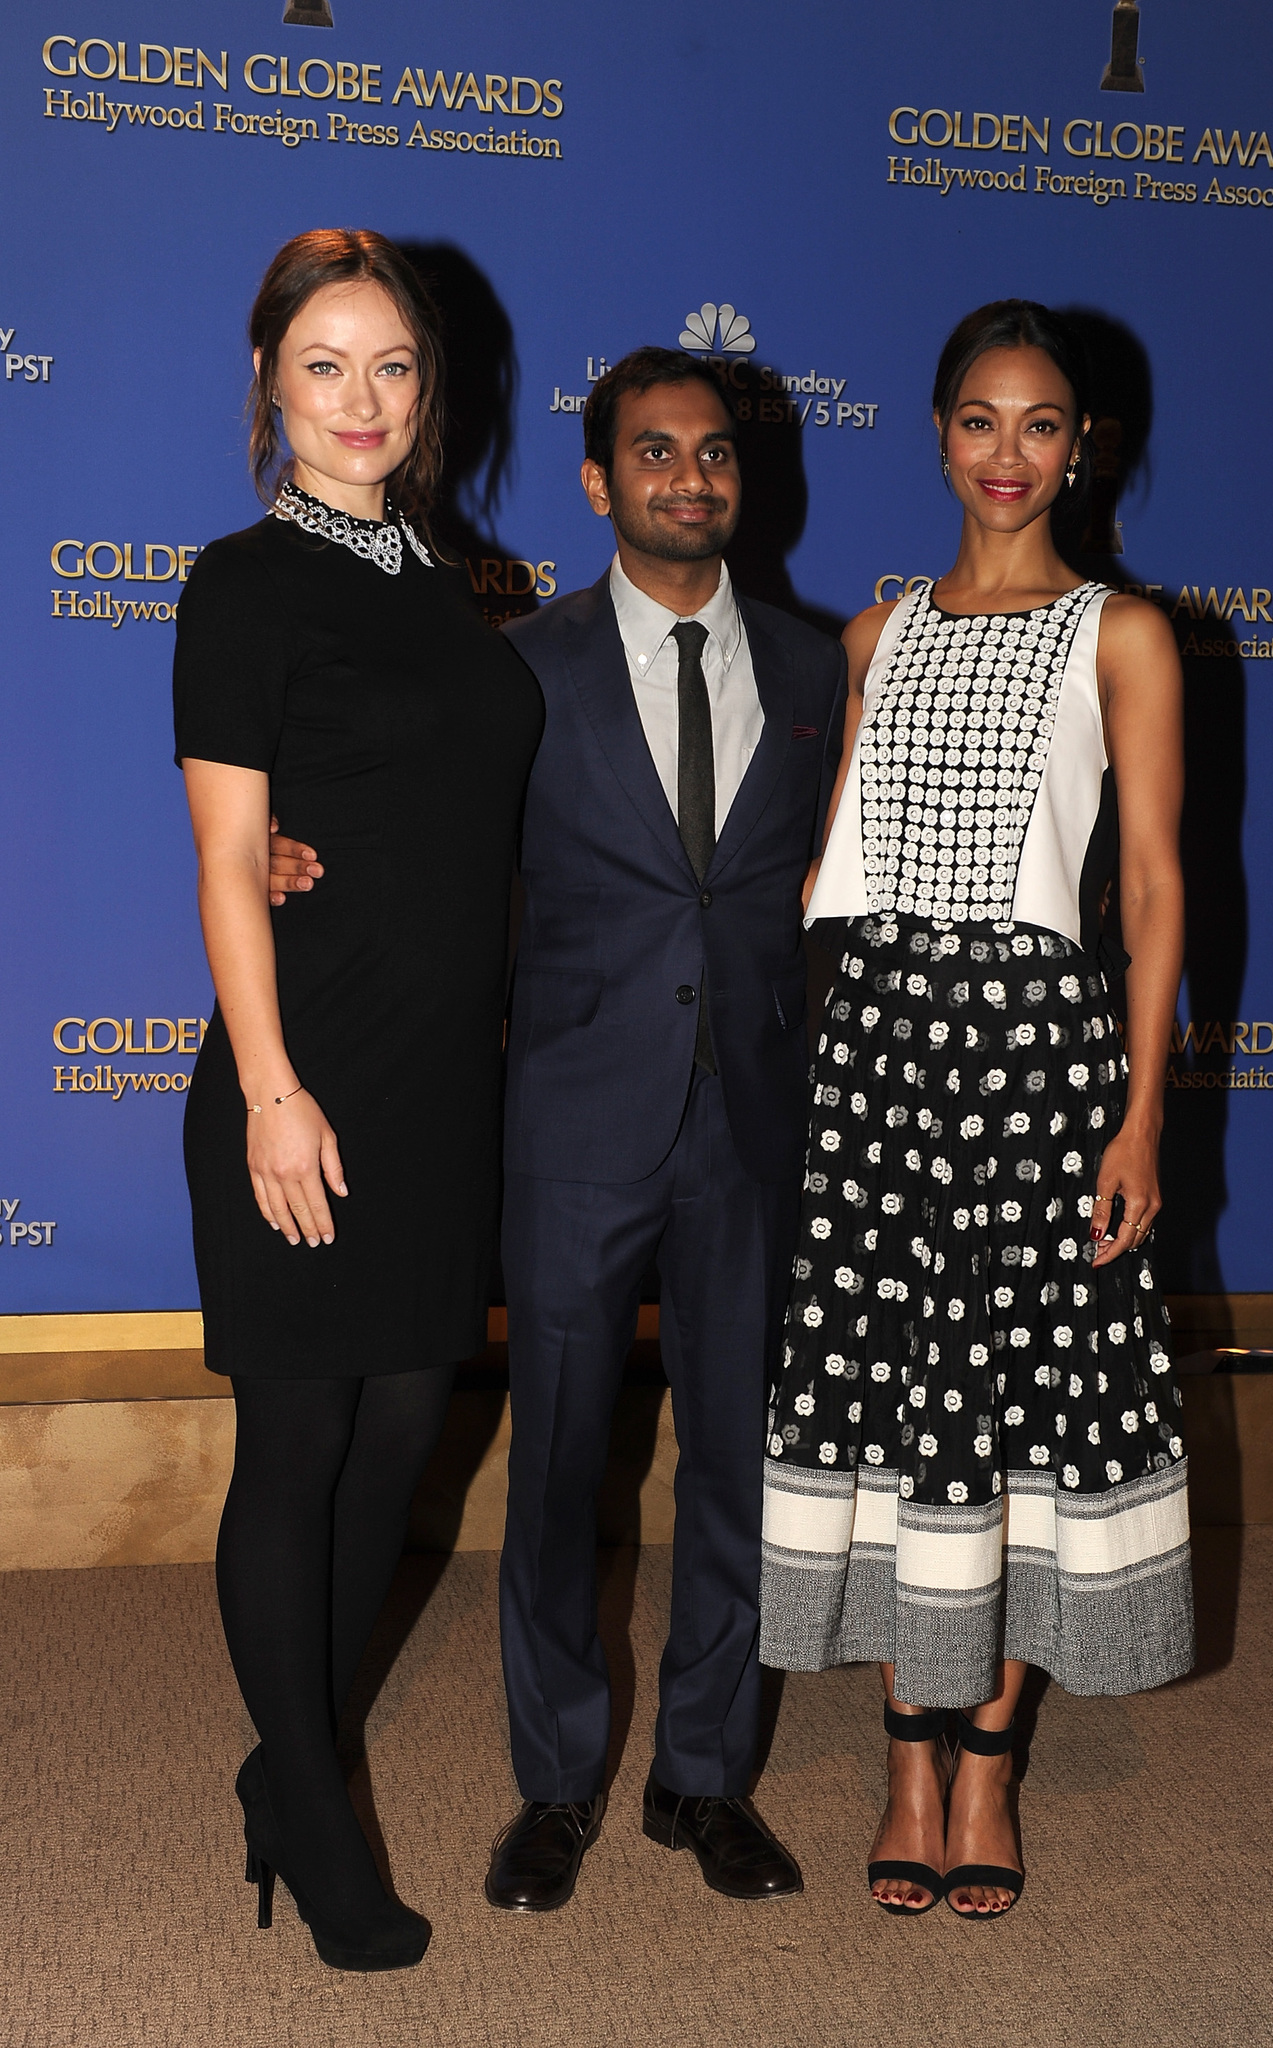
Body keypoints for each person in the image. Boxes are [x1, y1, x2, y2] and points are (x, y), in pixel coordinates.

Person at [270, 347, 846, 1910]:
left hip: (754, 1131)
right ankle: (555, 1784)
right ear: (598, 481)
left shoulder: (810, 671)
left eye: (714, 453)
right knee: (556, 1473)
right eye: (652, 453)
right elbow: (426, 856)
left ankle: (704, 1779)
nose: (689, 479)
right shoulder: (516, 669)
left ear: (746, 475)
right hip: (574, 1124)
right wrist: (292, 860)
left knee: (738, 1463)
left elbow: (830, 900)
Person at [759, 300, 1191, 1920]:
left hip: (1034, 1063)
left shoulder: (1119, 633)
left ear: (1082, 447)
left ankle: (987, 1768)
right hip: (875, 1058)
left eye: (1040, 424)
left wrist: (1139, 1119)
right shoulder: (873, 638)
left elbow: (1148, 888)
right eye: (977, 421)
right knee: (889, 1403)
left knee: (1007, 1412)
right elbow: (822, 877)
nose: (1006, 454)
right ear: (935, 434)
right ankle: (900, 1757)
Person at [174, 228, 542, 1970]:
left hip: (435, 1077)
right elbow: (229, 853)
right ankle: (315, 1816)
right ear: (269, 382)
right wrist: (266, 1087)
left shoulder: (455, 585)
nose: (361, 400)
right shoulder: (241, 581)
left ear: (430, 387)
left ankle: (280, 1761)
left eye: (391, 365)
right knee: (301, 1438)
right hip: (303, 1065)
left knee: (404, 1433)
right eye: (324, 365)